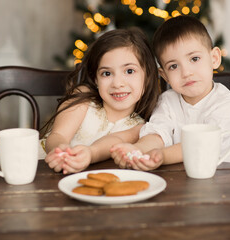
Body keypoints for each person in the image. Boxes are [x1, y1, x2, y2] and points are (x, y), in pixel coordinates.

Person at [111, 16, 230, 171]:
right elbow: (157, 134)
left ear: (214, 58)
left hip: (228, 182)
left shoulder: (227, 103)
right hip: (183, 182)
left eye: (194, 59)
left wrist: (162, 155)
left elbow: (202, 145)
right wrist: (138, 149)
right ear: (165, 75)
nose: (186, 72)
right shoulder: (167, 101)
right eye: (174, 66)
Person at [41, 28, 160, 174]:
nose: (117, 83)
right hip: (41, 168)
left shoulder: (139, 127)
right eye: (107, 73)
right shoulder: (82, 98)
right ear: (96, 79)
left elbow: (110, 143)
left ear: (147, 77)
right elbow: (58, 135)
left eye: (129, 71)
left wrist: (89, 154)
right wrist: (61, 151)